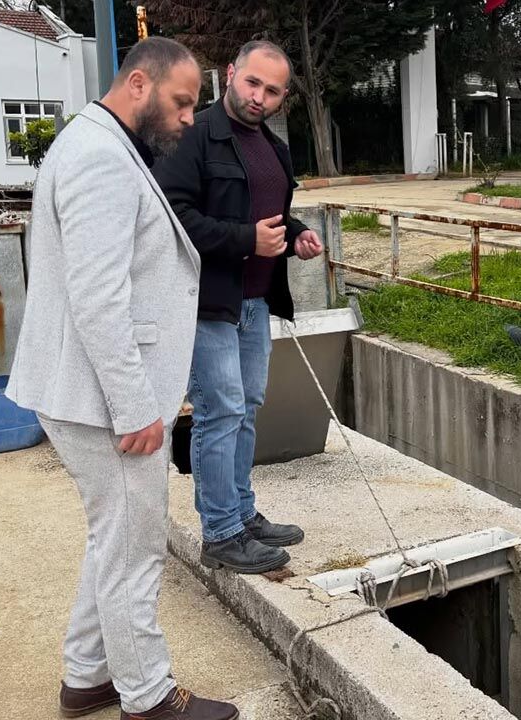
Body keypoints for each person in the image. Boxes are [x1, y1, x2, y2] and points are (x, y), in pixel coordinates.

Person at [6, 38, 238, 720]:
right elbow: (98, 297)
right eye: (182, 102)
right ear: (139, 83)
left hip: (88, 389)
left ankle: (88, 676)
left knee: (114, 537)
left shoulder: (99, 144)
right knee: (136, 546)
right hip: (103, 399)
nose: (190, 117)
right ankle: (148, 696)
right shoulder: (100, 157)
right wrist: (136, 407)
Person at [155, 40, 324, 574]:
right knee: (219, 410)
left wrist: (295, 234)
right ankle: (221, 532)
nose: (259, 97)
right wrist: (247, 240)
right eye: (252, 83)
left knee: (246, 408)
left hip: (254, 301)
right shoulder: (192, 136)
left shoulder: (273, 147)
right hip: (207, 302)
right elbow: (173, 218)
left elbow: (269, 214)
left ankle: (242, 514)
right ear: (230, 73)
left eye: (272, 91)